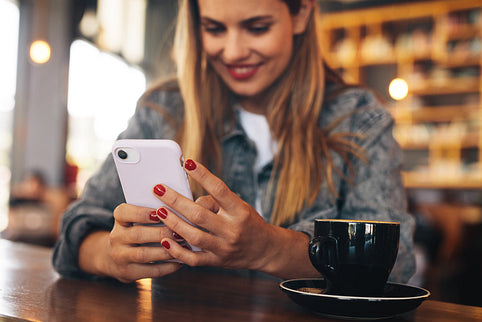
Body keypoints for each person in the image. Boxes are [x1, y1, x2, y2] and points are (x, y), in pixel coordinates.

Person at [53, 0, 416, 284]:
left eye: (257, 28)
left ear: (302, 13)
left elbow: (394, 265)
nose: (233, 51)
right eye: (214, 28)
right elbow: (76, 229)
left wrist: (270, 249)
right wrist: (110, 255)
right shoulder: (163, 110)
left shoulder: (358, 119)